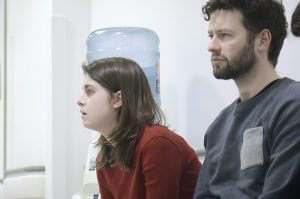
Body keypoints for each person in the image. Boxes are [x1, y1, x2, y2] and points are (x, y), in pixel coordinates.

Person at [193, 0, 300, 198]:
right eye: (211, 35)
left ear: (262, 40)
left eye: (224, 35)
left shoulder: (292, 106)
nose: (211, 46)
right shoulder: (217, 127)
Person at [77, 57, 201, 199]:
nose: (80, 100)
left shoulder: (157, 143)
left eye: (90, 91)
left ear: (118, 99)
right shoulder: (105, 157)